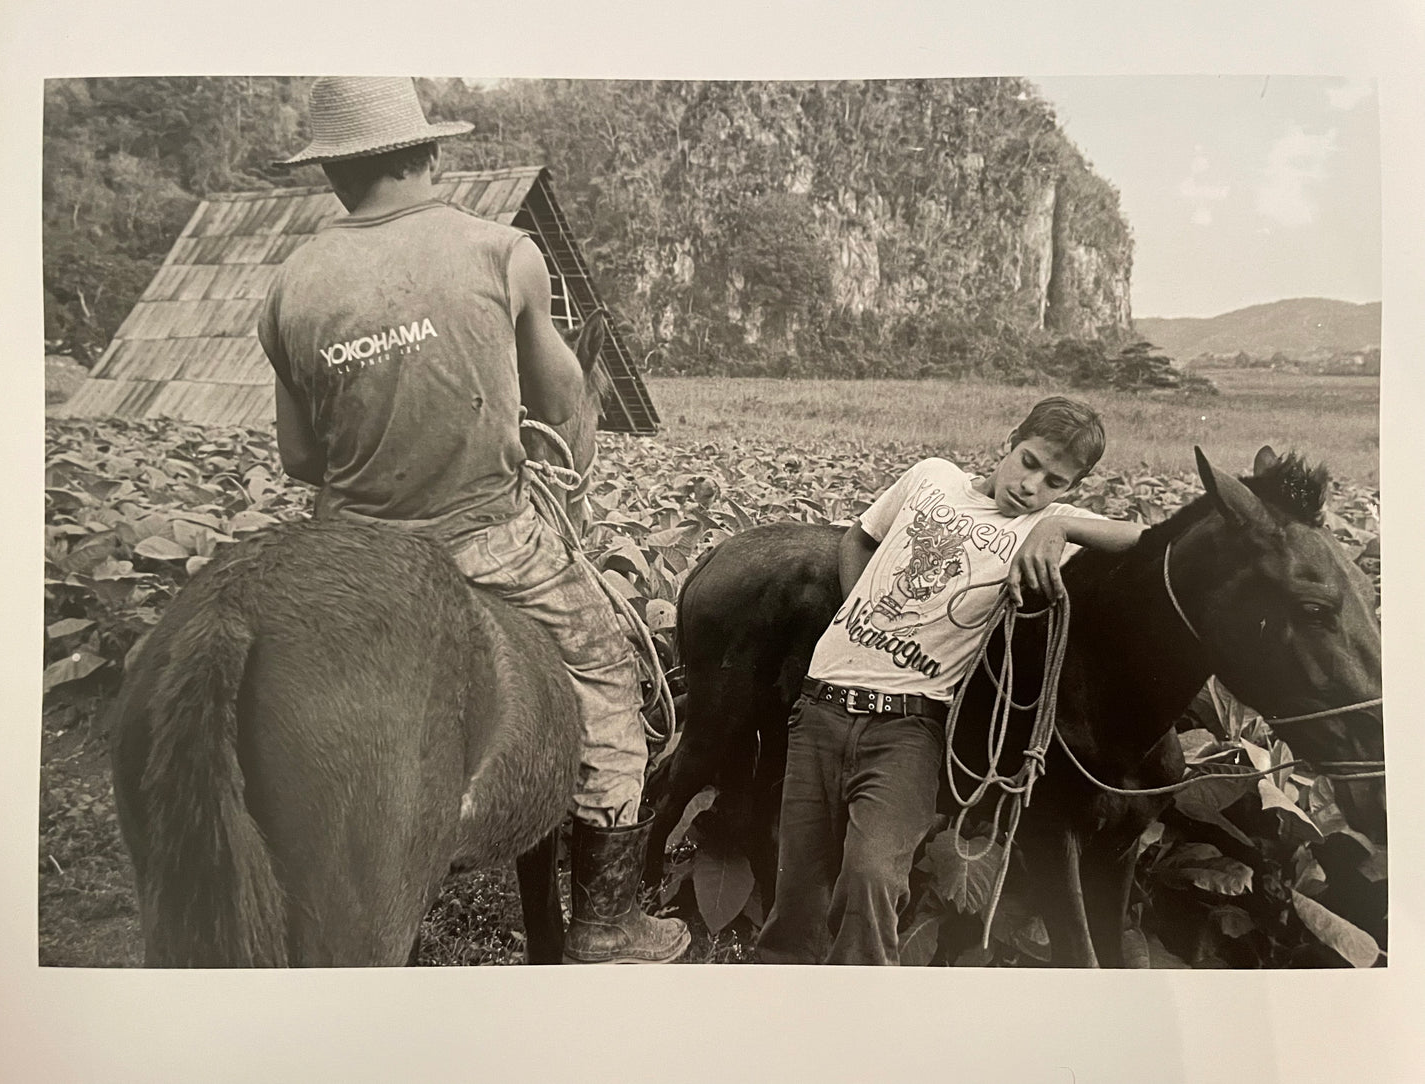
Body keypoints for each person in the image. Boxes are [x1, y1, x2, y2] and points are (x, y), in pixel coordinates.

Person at [256, 76, 688, 965]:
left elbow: (300, 461)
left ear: (333, 172)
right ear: (429, 150)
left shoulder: (290, 285)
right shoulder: (503, 251)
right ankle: (607, 923)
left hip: (346, 553)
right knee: (609, 679)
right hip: (487, 536)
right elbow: (561, 398)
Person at [755, 397, 1145, 965]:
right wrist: (858, 615)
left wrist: (1060, 526)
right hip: (819, 706)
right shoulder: (932, 476)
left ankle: (856, 1017)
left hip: (910, 728)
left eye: (1055, 482)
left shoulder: (1040, 528)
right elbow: (860, 537)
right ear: (1011, 440)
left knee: (870, 879)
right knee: (798, 883)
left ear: (1072, 486)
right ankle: (778, 998)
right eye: (1029, 461)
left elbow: (1149, 538)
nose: (1032, 486)